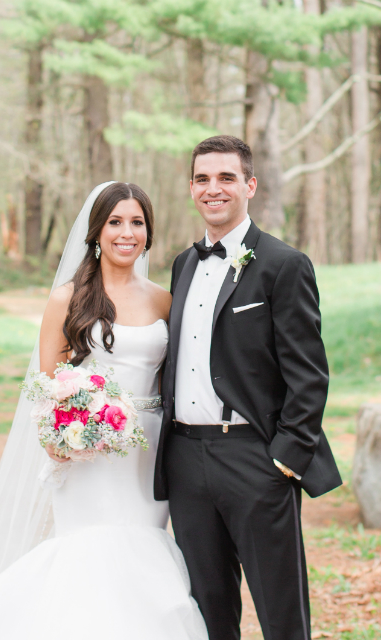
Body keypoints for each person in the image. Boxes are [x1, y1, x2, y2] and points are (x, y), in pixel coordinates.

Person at [0, 182, 209, 640]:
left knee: (142, 556)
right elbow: (46, 389)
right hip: (88, 454)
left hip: (147, 454)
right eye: (115, 222)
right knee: (90, 553)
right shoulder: (66, 299)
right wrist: (64, 438)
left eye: (136, 222)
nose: (126, 233)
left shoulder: (162, 300)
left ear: (148, 233)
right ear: (96, 231)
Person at [155, 135, 342, 640]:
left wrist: (284, 458)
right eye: (202, 179)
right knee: (209, 611)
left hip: (255, 459)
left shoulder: (284, 264)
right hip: (186, 461)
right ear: (191, 188)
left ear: (250, 185)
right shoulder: (183, 264)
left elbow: (309, 374)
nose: (212, 189)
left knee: (281, 614)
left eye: (225, 178)